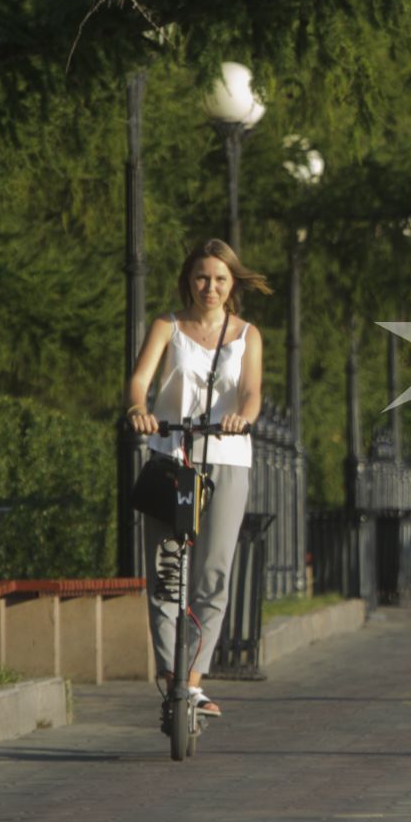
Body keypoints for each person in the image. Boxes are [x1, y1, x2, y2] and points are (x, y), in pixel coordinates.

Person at [125, 240, 270, 719]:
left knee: (213, 573)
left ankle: (193, 682)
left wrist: (242, 418)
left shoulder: (248, 334)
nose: (210, 287)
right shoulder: (168, 325)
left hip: (226, 457)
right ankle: (171, 678)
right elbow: (140, 380)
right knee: (168, 573)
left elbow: (251, 392)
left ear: (232, 285)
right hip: (172, 455)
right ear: (189, 279)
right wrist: (139, 410)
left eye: (220, 279)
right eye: (202, 278)